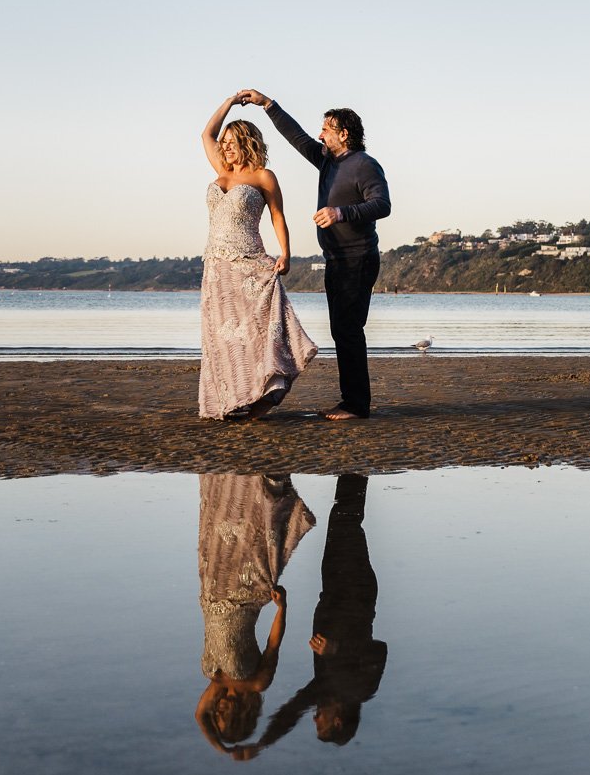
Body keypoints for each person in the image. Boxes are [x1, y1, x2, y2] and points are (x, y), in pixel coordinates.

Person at [237, 90, 390, 421]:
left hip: (358, 259)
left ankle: (356, 405)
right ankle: (352, 401)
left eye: (326, 129)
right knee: (342, 330)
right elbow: (296, 137)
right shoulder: (327, 161)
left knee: (348, 330)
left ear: (343, 134)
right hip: (337, 260)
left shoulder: (364, 165)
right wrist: (268, 105)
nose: (320, 134)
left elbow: (382, 205)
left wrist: (339, 213)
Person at [236, 474, 387, 759]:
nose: (315, 718)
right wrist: (338, 650)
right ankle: (356, 464)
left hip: (332, 589)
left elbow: (291, 712)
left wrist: (262, 743)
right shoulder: (361, 689)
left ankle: (353, 465)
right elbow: (379, 650)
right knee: (346, 521)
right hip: (356, 589)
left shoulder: (324, 687)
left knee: (341, 519)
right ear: (338, 720)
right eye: (321, 723)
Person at [198, 93, 318, 420]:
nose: (226, 146)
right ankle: (232, 400)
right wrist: (229, 101)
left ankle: (265, 394)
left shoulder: (263, 176)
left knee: (254, 332)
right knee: (222, 336)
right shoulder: (220, 168)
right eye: (225, 142)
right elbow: (206, 134)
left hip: (250, 264)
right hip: (216, 269)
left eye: (233, 142)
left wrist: (286, 253)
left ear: (248, 142)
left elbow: (278, 215)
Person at [193, 474, 316, 757]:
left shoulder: (217, 683)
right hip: (242, 595)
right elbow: (273, 644)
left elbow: (200, 717)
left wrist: (222, 748)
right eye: (223, 716)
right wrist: (282, 608)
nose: (217, 710)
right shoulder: (258, 683)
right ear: (240, 717)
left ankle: (229, 477)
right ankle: (263, 483)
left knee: (218, 526)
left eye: (217, 715)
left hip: (212, 591)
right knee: (248, 538)